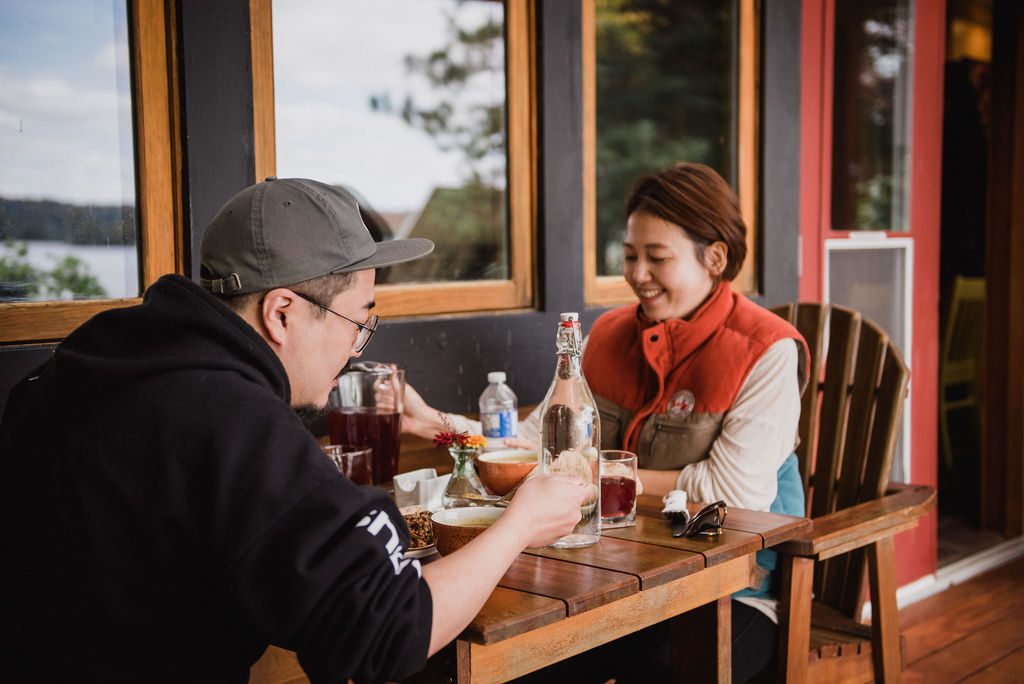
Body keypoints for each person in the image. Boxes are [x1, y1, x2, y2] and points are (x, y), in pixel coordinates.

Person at [0, 178, 589, 682]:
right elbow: (388, 632)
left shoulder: (82, 366)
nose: (358, 348)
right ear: (281, 313)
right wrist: (522, 523)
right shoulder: (235, 424)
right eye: (358, 321)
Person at [406, 162, 808, 682]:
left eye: (657, 258)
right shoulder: (609, 334)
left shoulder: (767, 350)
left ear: (716, 258)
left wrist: (596, 476)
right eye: (630, 256)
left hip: (733, 593)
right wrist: (432, 424)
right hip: (613, 583)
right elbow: (530, 449)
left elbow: (735, 494)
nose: (637, 275)